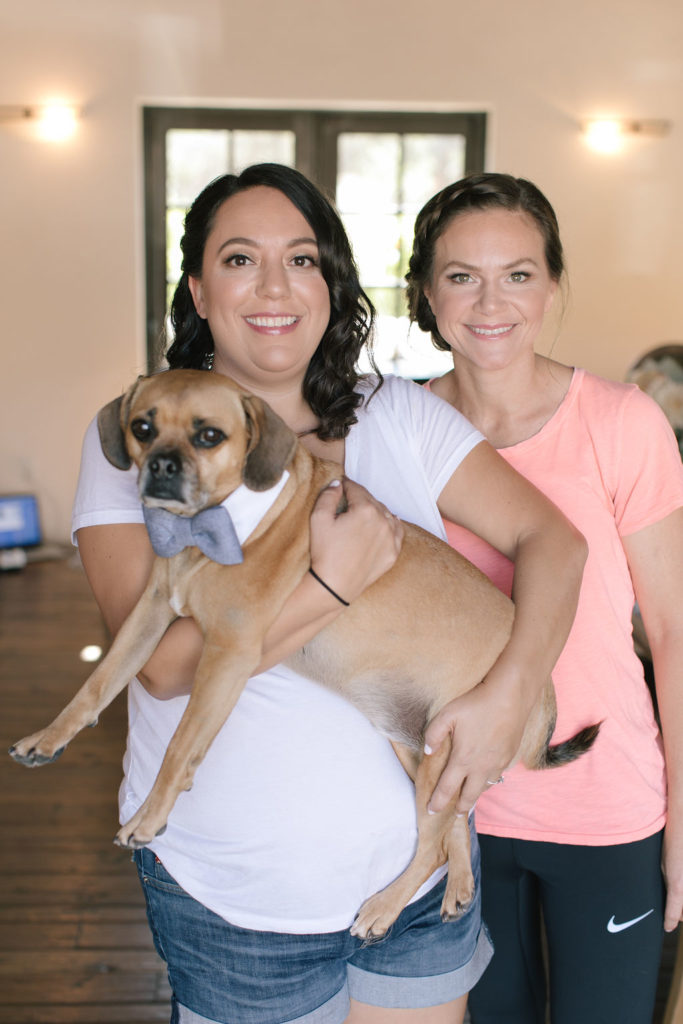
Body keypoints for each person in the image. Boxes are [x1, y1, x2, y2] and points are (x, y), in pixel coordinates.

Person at [71, 163, 586, 1024]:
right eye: (239, 260)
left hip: (411, 887)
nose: (275, 286)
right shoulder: (144, 435)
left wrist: (512, 692)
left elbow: (554, 543)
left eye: (302, 259)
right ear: (197, 288)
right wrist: (325, 583)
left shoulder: (399, 414)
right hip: (237, 899)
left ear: (331, 283)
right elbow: (160, 671)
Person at [406, 171, 683, 1024]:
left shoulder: (619, 420)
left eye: (518, 274)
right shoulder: (398, 428)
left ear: (552, 283)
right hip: (452, 808)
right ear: (424, 289)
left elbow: (671, 630)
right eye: (461, 276)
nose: (491, 303)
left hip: (605, 801)